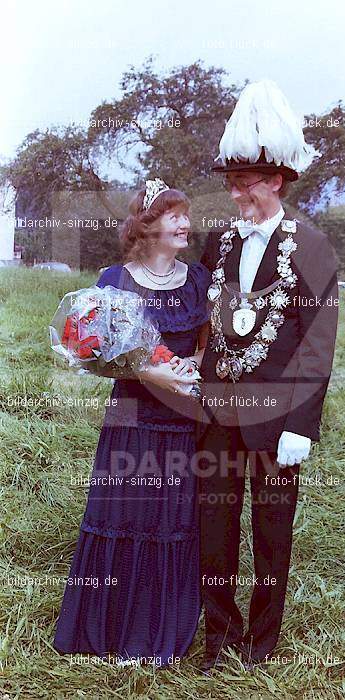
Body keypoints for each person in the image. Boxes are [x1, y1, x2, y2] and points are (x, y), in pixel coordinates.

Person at [196, 80, 339, 671]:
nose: (236, 196)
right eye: (231, 185)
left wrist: (300, 424)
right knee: (214, 529)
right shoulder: (217, 243)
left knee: (273, 534)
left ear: (276, 180)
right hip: (216, 417)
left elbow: (317, 345)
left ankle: (262, 642)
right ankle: (218, 636)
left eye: (246, 184)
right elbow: (200, 320)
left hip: (278, 421)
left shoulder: (313, 246)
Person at [54, 179, 211, 667]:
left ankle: (159, 636)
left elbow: (208, 342)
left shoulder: (200, 279)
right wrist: (149, 371)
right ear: (147, 225)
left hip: (184, 417)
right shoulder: (112, 281)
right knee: (128, 514)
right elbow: (94, 352)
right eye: (173, 215)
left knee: (173, 519)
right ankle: (109, 633)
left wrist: (190, 371)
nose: (184, 223)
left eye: (186, 214)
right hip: (130, 417)